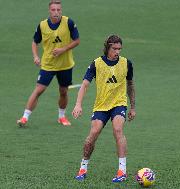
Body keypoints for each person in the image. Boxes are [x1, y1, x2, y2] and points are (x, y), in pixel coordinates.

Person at [72, 35, 136, 182]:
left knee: (118, 130)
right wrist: (78, 104)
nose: (117, 52)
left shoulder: (127, 63)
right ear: (108, 47)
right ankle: (83, 168)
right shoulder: (96, 64)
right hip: (101, 105)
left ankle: (122, 171)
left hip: (119, 103)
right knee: (93, 134)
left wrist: (132, 107)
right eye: (114, 48)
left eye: (119, 49)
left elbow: (131, 85)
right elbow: (85, 85)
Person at [17, 0, 80, 127]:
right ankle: (24, 117)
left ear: (61, 10)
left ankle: (61, 117)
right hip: (48, 65)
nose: (56, 12)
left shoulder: (69, 22)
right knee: (39, 90)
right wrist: (35, 56)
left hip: (65, 65)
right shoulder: (42, 25)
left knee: (63, 91)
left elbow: (77, 40)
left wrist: (63, 49)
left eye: (58, 10)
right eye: (53, 10)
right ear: (49, 11)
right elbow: (35, 42)